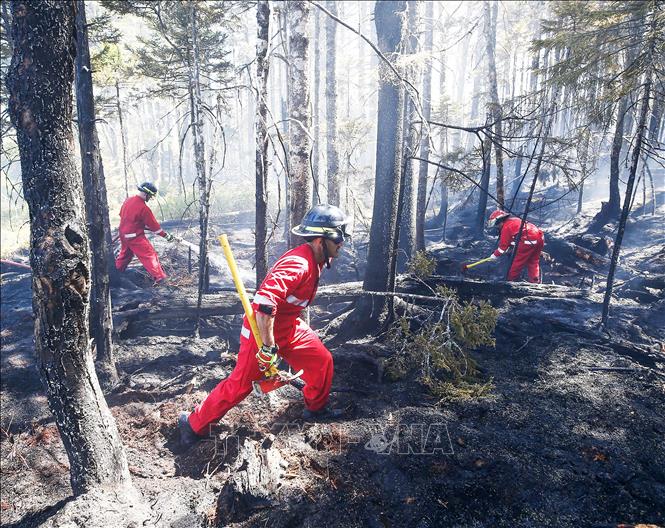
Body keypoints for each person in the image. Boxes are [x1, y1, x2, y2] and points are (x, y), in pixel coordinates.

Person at [179, 204, 351, 447]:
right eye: (338, 235)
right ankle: (193, 423)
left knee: (321, 361)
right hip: (261, 332)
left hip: (289, 327)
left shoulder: (319, 259)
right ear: (321, 239)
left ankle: (316, 408)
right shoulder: (299, 264)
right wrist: (268, 348)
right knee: (240, 386)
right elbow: (264, 302)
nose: (342, 241)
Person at [115, 182, 175, 283]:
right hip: (134, 236)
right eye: (150, 196)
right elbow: (155, 227)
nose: (150, 198)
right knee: (149, 255)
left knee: (125, 255)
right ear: (146, 194)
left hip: (123, 234)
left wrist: (139, 225)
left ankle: (116, 272)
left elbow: (123, 216)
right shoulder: (144, 208)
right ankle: (160, 278)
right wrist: (166, 236)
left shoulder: (128, 201)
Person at [486, 210, 544, 283]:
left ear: (499, 221)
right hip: (540, 237)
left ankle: (511, 282)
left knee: (517, 263)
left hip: (528, 240)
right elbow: (516, 238)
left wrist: (494, 255)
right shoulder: (514, 220)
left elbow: (502, 248)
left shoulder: (506, 228)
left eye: (495, 224)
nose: (496, 227)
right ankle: (535, 282)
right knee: (533, 262)